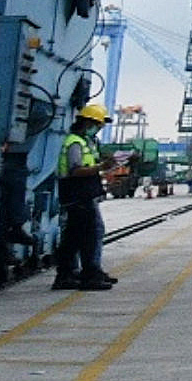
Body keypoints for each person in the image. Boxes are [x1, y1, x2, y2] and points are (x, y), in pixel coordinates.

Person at [53, 101, 114, 290]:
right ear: (87, 123)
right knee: (89, 234)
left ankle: (68, 275)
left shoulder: (87, 142)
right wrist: (101, 167)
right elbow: (75, 170)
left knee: (74, 236)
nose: (98, 129)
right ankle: (89, 275)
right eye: (97, 125)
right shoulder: (74, 142)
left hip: (83, 194)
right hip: (77, 195)